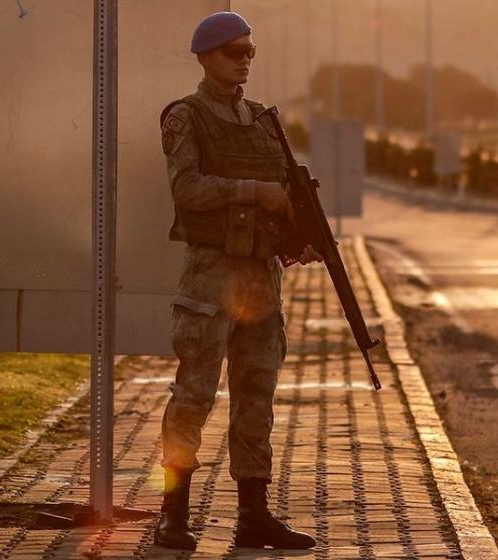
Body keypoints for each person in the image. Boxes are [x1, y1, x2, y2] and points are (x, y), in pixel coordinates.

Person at [155, 11, 321, 551]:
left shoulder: (262, 121)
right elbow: (187, 189)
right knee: (194, 396)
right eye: (233, 52)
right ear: (205, 57)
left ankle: (254, 513)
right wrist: (254, 192)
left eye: (250, 51)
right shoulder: (186, 117)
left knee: (256, 395)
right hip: (211, 275)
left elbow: (285, 194)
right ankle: (173, 513)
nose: (244, 60)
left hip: (260, 277)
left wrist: (299, 237)